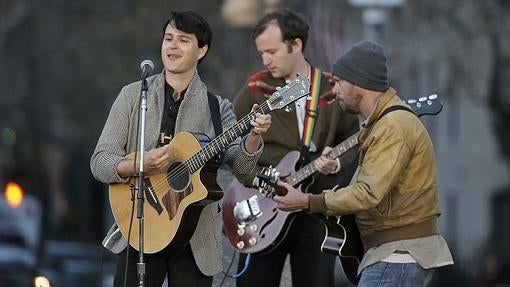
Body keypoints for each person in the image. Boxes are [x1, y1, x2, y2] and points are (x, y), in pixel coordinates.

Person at [90, 10, 271, 287]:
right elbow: (100, 162)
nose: (172, 46)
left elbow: (243, 170)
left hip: (194, 241)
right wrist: (141, 165)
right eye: (168, 38)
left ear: (202, 50)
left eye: (183, 40)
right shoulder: (131, 96)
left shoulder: (217, 108)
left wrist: (255, 137)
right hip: (141, 227)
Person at [274, 40, 454, 286]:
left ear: (359, 83)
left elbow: (368, 193)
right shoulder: (380, 126)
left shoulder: (393, 127)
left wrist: (308, 201)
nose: (333, 90)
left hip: (396, 257)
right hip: (391, 255)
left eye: (338, 82)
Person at [232, 8, 360, 287]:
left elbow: (354, 137)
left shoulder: (330, 87)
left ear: (296, 44)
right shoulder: (256, 87)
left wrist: (336, 163)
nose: (266, 60)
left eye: (272, 51)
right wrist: (251, 179)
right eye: (261, 52)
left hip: (313, 209)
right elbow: (232, 144)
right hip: (265, 208)